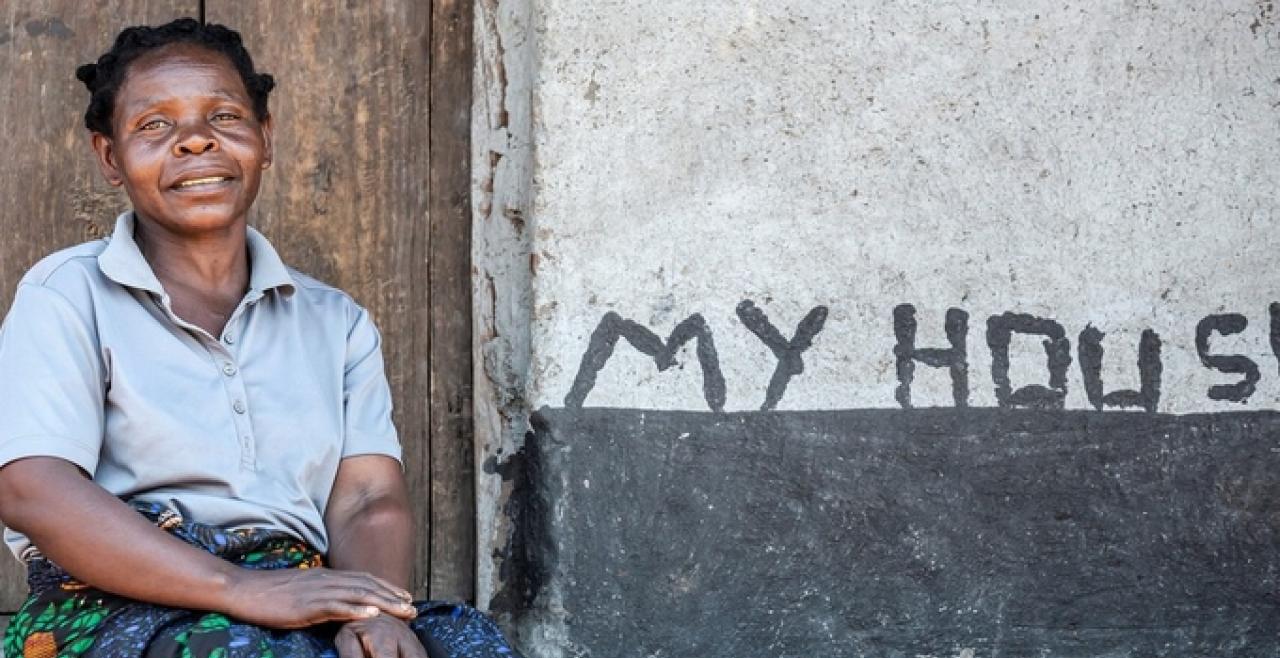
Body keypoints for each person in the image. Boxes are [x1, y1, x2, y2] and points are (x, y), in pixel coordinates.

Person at [0, 18, 520, 658]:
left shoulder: (335, 321)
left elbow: (367, 498)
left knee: (464, 643)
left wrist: (376, 612)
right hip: (110, 597)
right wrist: (237, 587)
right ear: (110, 157)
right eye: (154, 125)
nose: (195, 142)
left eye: (224, 117)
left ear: (264, 139)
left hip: (297, 590)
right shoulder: (67, 295)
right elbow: (33, 487)